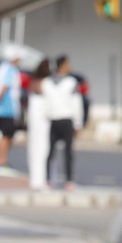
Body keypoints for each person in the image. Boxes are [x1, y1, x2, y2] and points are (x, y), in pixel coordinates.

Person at [44, 55, 83, 190]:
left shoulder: (48, 82)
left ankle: (54, 179)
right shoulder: (70, 82)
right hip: (63, 119)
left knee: (57, 151)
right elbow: (77, 103)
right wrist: (78, 123)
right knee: (60, 152)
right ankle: (62, 180)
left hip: (58, 119)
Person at [0, 47, 24, 176]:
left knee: (7, 135)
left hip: (5, 107)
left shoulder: (2, 68)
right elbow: (4, 87)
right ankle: (1, 161)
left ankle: (3, 160)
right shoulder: (9, 69)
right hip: (7, 108)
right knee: (6, 135)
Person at [26, 58, 52, 190]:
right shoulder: (46, 83)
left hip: (34, 123)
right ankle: (42, 179)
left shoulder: (32, 82)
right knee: (44, 150)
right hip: (44, 122)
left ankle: (35, 179)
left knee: (34, 150)